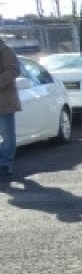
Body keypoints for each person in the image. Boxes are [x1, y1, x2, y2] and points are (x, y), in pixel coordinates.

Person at [0, 35, 22, 180]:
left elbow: (14, 71)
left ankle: (5, 163)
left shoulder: (6, 50)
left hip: (4, 100)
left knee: (7, 134)